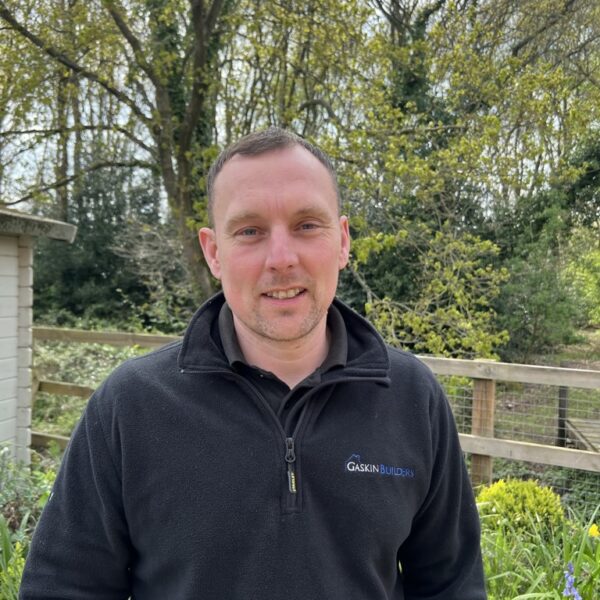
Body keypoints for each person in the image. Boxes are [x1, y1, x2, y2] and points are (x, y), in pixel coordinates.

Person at [20, 127, 487, 599]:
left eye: (307, 225)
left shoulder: (412, 398)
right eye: (250, 231)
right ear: (213, 252)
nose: (281, 259)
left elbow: (451, 586)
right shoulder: (131, 405)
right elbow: (63, 589)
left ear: (343, 241)